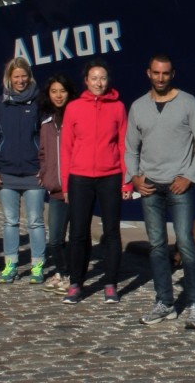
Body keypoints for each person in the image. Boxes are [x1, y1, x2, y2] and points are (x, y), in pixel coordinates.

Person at [126, 54, 195, 329]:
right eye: (156, 73)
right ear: (147, 73)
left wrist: (190, 177)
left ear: (172, 74)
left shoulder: (188, 103)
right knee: (157, 246)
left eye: (165, 73)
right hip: (149, 186)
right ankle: (165, 302)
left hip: (178, 185)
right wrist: (134, 177)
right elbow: (130, 147)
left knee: (185, 244)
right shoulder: (138, 107)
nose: (160, 78)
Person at [61, 60, 127, 305]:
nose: (99, 83)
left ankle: (110, 283)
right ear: (86, 81)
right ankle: (76, 282)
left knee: (111, 232)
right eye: (94, 78)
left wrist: (126, 182)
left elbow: (123, 145)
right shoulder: (74, 108)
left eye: (103, 78)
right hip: (80, 177)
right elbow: (66, 147)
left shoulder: (118, 108)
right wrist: (66, 184)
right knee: (78, 232)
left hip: (110, 175)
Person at [0, 56, 47, 284]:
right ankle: (10, 263)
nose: (20, 81)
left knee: (35, 221)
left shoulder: (39, 102)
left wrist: (45, 167)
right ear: (9, 79)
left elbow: (45, 137)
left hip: (33, 172)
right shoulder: (0, 103)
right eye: (16, 77)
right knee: (10, 221)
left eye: (24, 76)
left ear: (29, 77)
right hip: (7, 172)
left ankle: (37, 264)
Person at [38, 73, 75, 291]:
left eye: (62, 91)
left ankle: (71, 275)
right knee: (55, 239)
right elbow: (42, 153)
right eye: (54, 91)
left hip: (76, 188)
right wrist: (45, 175)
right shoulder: (47, 123)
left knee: (78, 236)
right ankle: (62, 271)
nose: (59, 95)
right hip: (55, 189)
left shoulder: (75, 117)